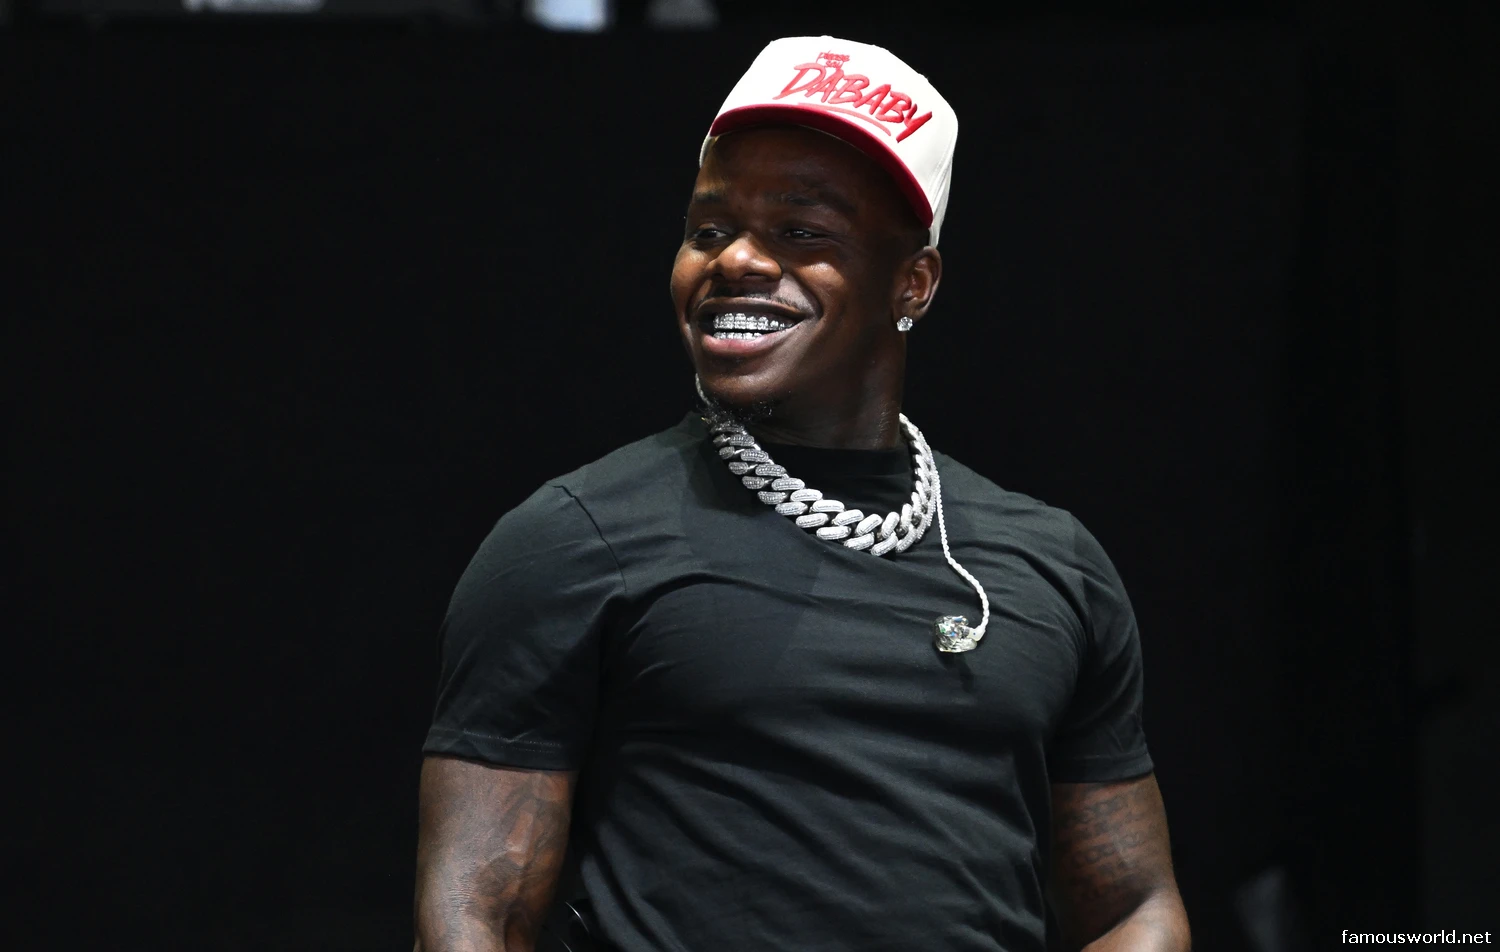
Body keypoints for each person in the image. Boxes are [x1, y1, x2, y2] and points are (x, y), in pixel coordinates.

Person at [414, 36, 1190, 952]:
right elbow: (474, 918)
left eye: (801, 231)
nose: (736, 259)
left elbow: (1135, 908)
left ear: (913, 283)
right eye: (708, 229)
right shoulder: (574, 543)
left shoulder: (1051, 563)